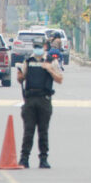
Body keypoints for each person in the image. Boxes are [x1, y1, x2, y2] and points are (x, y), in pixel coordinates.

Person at [17, 36, 63, 169]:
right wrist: (19, 76)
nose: (37, 49)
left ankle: (43, 159)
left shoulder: (51, 61)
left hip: (44, 99)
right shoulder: (28, 61)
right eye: (35, 46)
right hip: (30, 99)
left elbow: (60, 79)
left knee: (43, 131)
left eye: (40, 46)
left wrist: (49, 69)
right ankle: (24, 158)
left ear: (45, 47)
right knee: (28, 131)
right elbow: (21, 79)